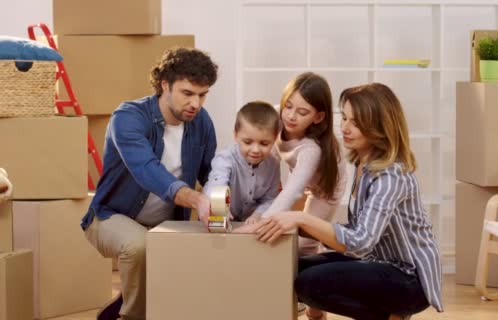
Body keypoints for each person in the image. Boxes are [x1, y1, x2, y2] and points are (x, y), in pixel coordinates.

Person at [255, 83, 444, 320]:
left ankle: (390, 317)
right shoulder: (363, 165)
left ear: (380, 126)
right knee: (293, 269)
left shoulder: (390, 176)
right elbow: (358, 231)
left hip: (409, 279)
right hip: (378, 262)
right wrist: (299, 226)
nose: (345, 127)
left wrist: (301, 218)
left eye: (356, 122)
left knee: (310, 284)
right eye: (344, 118)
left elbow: (361, 242)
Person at [80, 47, 218, 320]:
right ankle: (131, 316)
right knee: (138, 245)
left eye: (202, 95)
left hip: (166, 224)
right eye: (187, 93)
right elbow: (146, 169)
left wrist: (231, 201)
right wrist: (196, 199)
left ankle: (125, 303)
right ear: (165, 85)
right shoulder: (128, 117)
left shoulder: (201, 121)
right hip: (111, 216)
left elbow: (213, 172)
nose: (196, 104)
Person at [245, 72, 346, 257]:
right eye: (288, 106)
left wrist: (263, 222)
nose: (291, 116)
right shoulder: (275, 117)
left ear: (318, 117)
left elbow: (292, 191)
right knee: (276, 227)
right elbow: (264, 156)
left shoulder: (311, 149)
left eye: (302, 112)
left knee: (304, 246)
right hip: (299, 175)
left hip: (325, 189)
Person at [203, 101, 281, 222]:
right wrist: (220, 207)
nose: (255, 150)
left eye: (264, 143)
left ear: (275, 138)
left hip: (248, 223)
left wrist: (257, 215)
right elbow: (217, 184)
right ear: (235, 135)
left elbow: (270, 199)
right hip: (217, 218)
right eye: (248, 142)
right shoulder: (224, 158)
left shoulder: (273, 165)